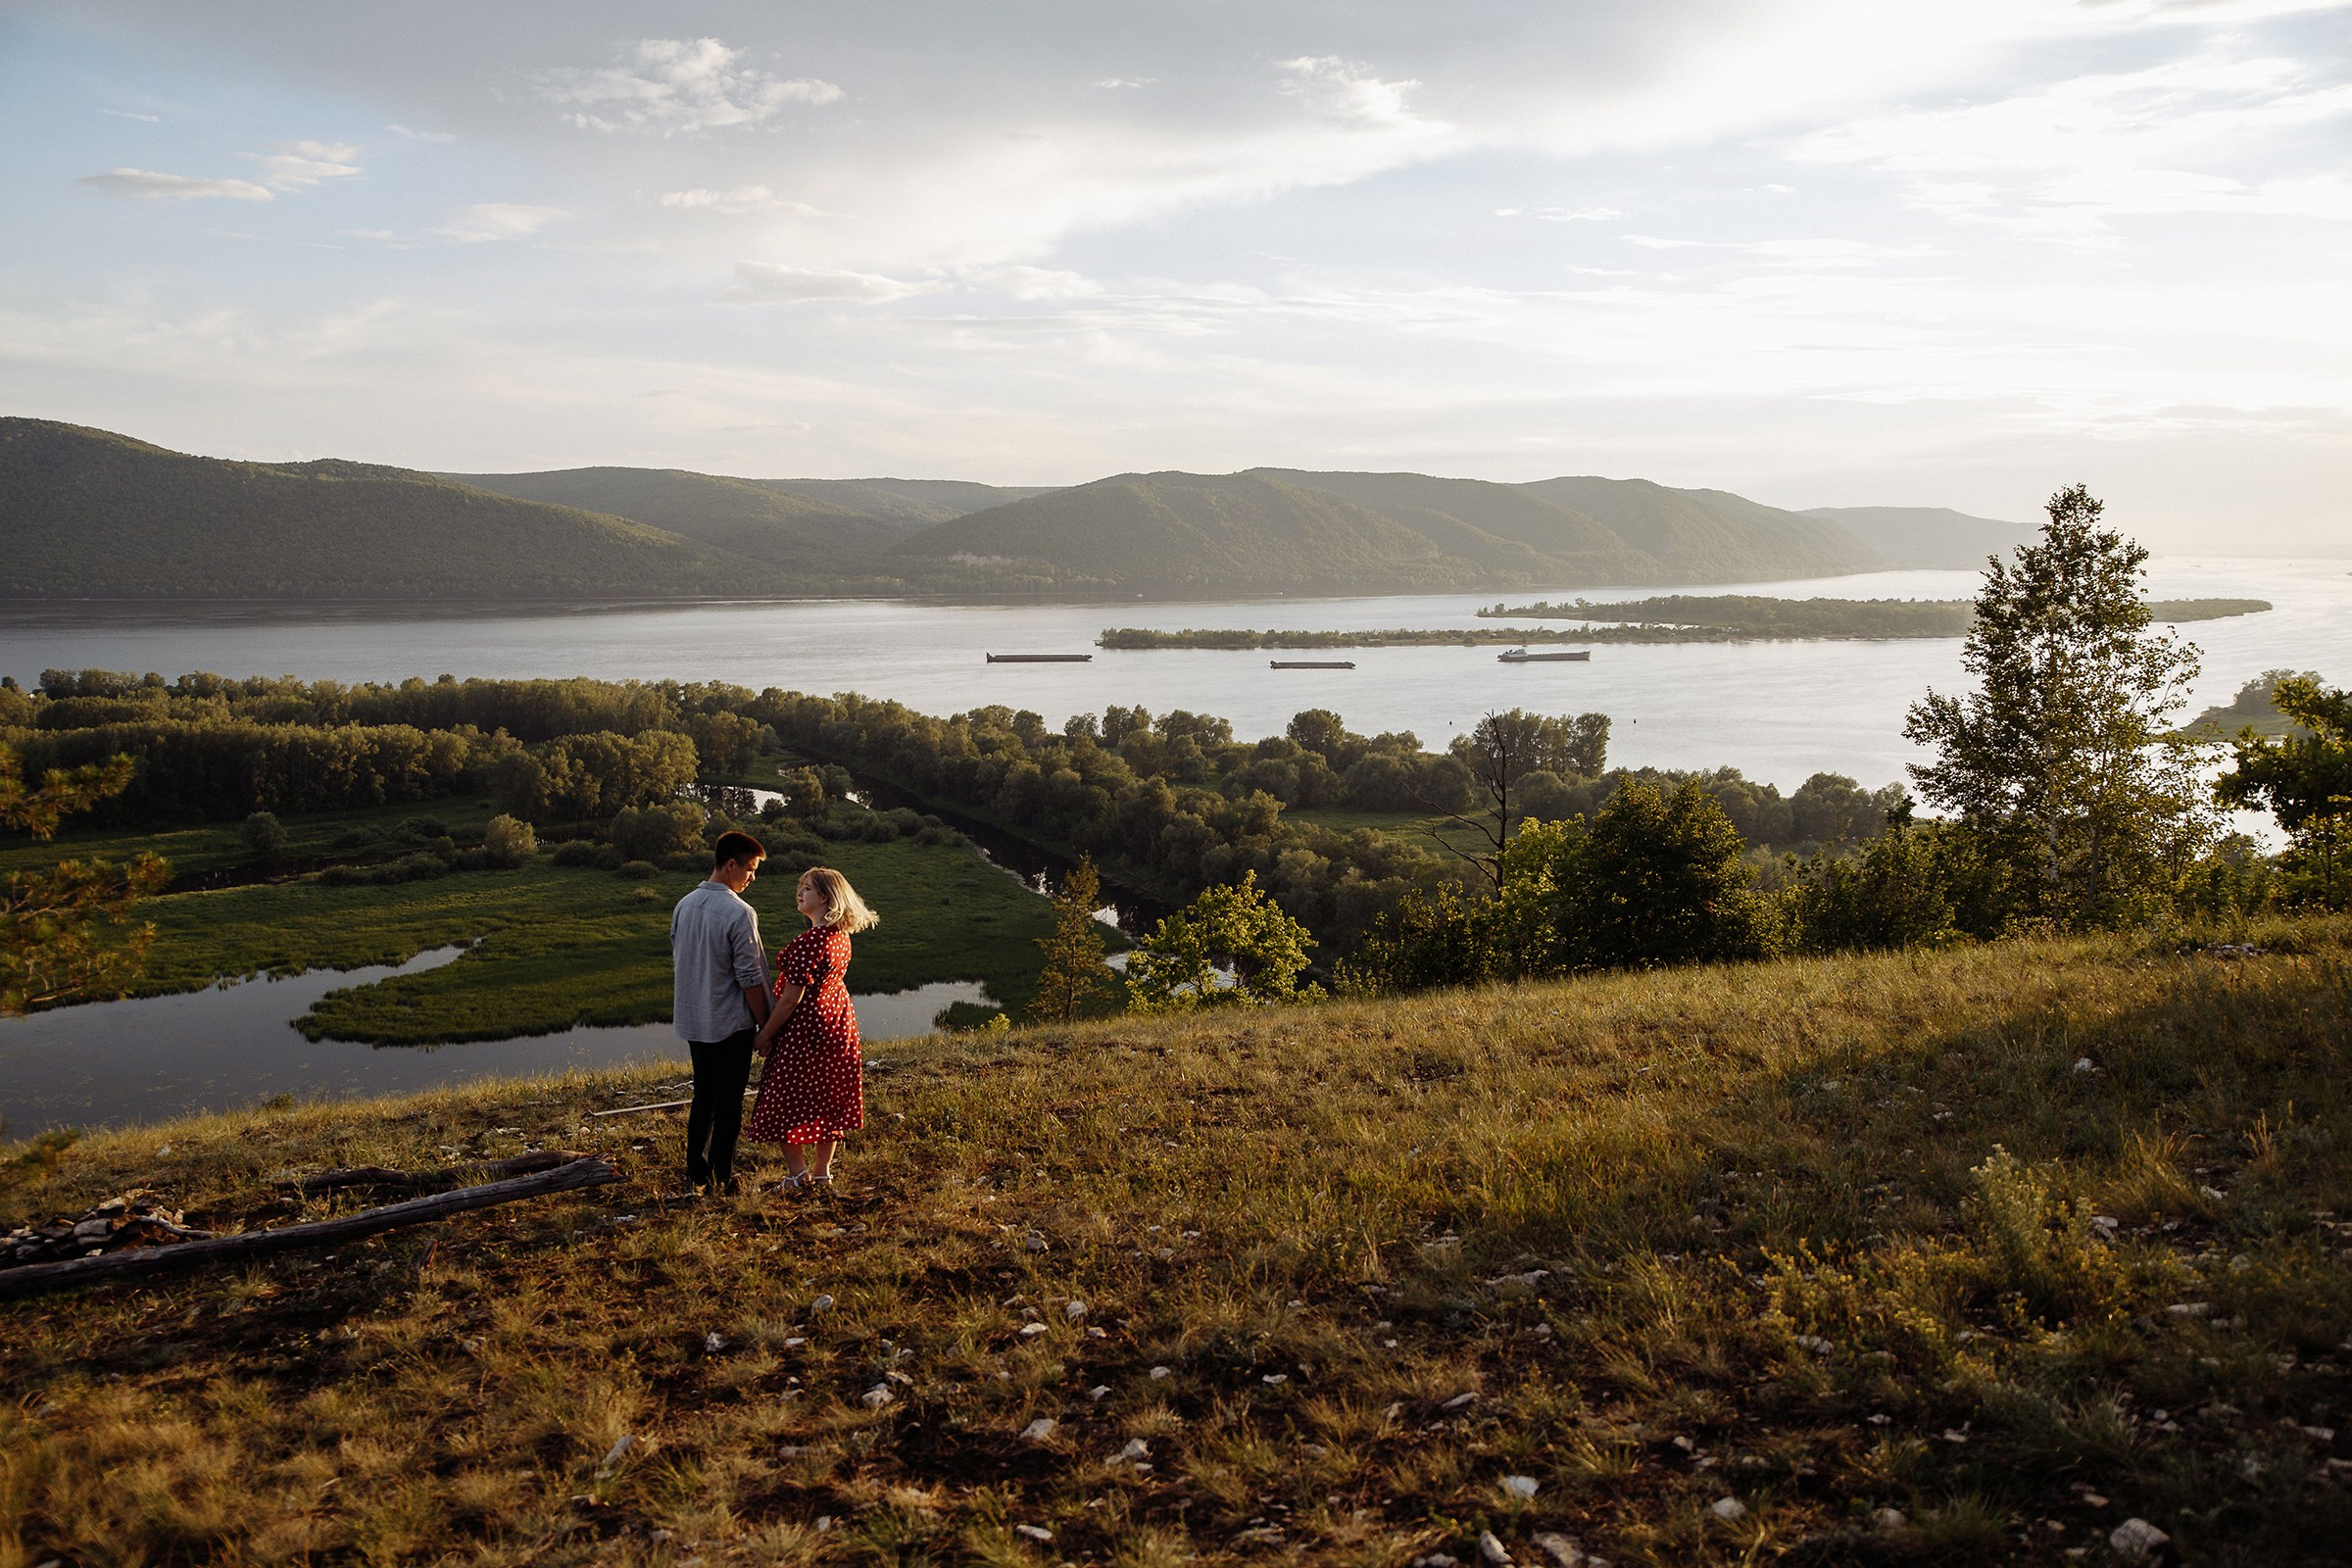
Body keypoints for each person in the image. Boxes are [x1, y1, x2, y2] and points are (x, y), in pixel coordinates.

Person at [746, 865, 879, 1190]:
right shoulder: (840, 937)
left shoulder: (812, 940)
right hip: (837, 1024)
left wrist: (765, 1034)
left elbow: (791, 999)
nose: (799, 892)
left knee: (783, 1098)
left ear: (825, 897)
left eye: (807, 888)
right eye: (800, 886)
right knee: (828, 1098)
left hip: (804, 1030)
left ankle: (796, 1175)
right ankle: (822, 1173)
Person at [668, 829, 771, 1196]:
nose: (753, 878)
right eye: (750, 869)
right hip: (729, 1024)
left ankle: (695, 1170)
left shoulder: (684, 904)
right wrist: (765, 1024)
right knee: (728, 1103)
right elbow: (749, 976)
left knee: (703, 1096)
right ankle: (721, 1178)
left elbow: (680, 957)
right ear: (731, 865)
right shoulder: (739, 912)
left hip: (695, 1021)